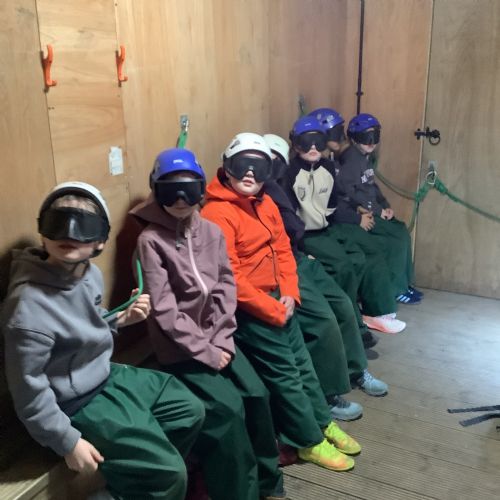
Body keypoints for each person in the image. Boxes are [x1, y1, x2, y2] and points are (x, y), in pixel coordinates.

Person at [2, 182, 205, 500]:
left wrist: (122, 319)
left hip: (104, 374)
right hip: (75, 403)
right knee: (169, 475)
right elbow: (29, 392)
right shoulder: (27, 309)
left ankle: (138, 477)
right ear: (43, 232)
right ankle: (155, 479)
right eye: (58, 222)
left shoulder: (88, 275)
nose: (69, 232)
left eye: (83, 225)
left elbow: (86, 326)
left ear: (100, 241)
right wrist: (67, 441)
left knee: (188, 409)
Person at [130, 148, 286, 500]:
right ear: (156, 191)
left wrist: (222, 339)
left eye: (189, 190)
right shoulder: (150, 242)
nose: (181, 200)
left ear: (201, 190)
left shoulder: (211, 232)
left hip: (219, 339)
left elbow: (225, 288)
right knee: (227, 412)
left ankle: (266, 477)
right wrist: (206, 351)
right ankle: (238, 492)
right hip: (180, 350)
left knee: (257, 393)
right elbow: (165, 310)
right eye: (170, 191)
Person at [202, 132, 361, 472]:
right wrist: (271, 308)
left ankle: (322, 422)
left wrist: (290, 292)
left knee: (304, 366)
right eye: (242, 165)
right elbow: (229, 278)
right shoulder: (216, 213)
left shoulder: (265, 203)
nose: (249, 174)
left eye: (258, 167)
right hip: (252, 310)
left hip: (280, 299)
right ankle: (307, 441)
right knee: (286, 375)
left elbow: (284, 250)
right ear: (226, 167)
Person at [262, 133, 388, 416]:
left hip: (295, 257)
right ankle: (328, 394)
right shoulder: (239, 203)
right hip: (277, 269)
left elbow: (290, 230)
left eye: (271, 163)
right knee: (324, 319)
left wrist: (300, 252)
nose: (258, 171)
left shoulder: (273, 191)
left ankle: (356, 370)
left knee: (343, 304)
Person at [284, 115, 406, 334]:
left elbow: (333, 202)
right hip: (307, 235)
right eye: (306, 142)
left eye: (318, 141)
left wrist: (356, 211)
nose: (313, 147)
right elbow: (289, 216)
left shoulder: (327, 167)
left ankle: (360, 314)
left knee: (359, 257)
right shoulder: (290, 173)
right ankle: (351, 324)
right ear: (295, 144)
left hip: (328, 227)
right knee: (342, 266)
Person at [334, 113, 423, 306]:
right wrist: (375, 210)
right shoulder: (352, 160)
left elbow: (372, 187)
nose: (371, 142)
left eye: (375, 136)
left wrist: (385, 205)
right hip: (363, 212)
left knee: (401, 230)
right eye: (366, 137)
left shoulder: (365, 158)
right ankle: (396, 289)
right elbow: (349, 192)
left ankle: (405, 283)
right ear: (354, 138)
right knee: (397, 238)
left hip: (374, 209)